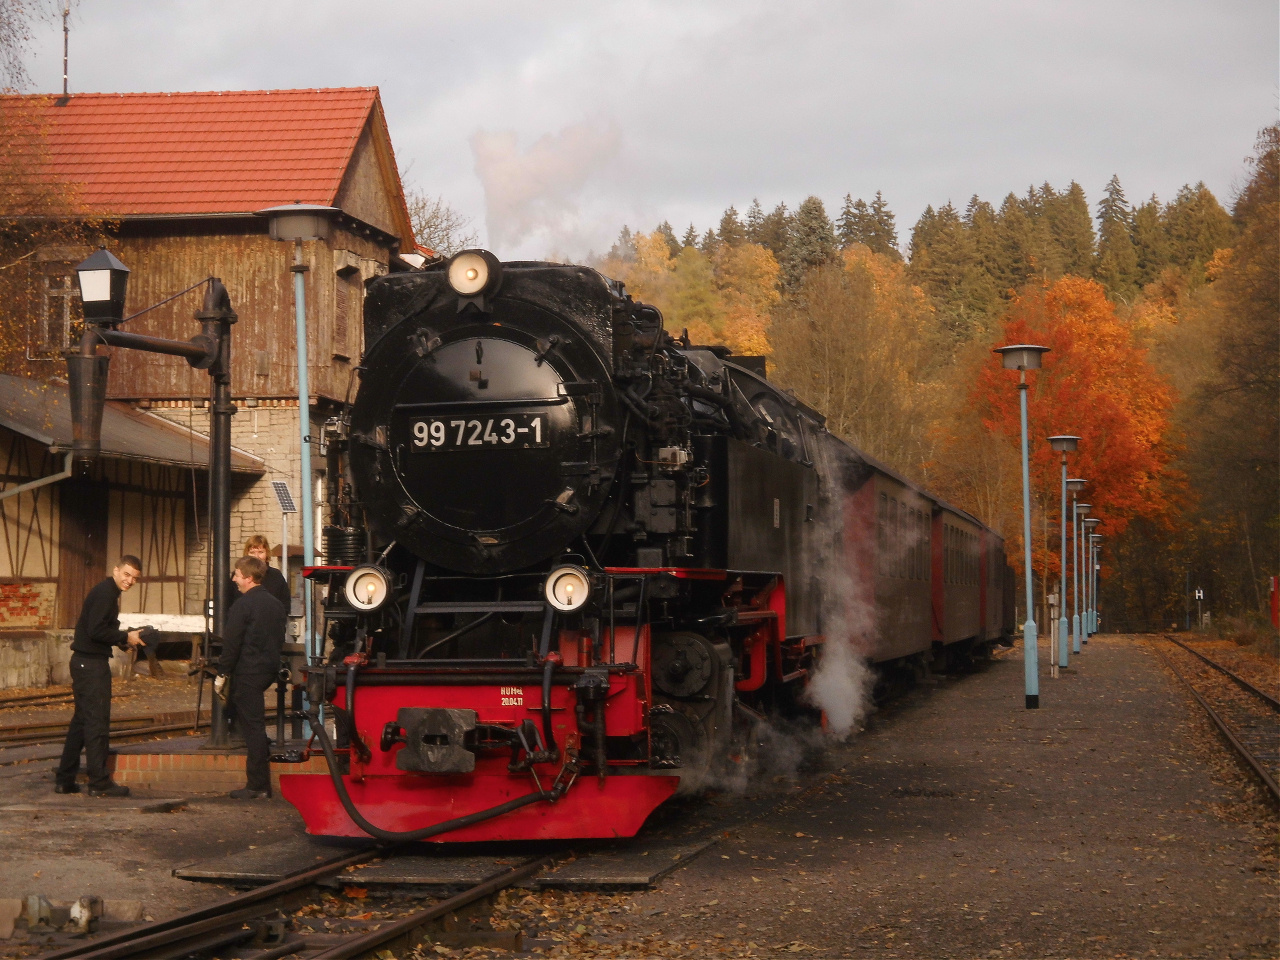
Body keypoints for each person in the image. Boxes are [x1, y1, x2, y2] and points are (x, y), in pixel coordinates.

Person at [55, 556, 147, 797]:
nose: (130, 581)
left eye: (134, 578)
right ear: (116, 570)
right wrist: (125, 637)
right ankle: (99, 782)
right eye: (126, 574)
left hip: (85, 662)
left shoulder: (107, 592)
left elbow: (99, 628)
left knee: (82, 722)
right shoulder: (106, 594)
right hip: (91, 665)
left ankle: (65, 778)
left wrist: (123, 640)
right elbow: (96, 630)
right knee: (96, 723)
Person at [218, 555, 287, 800]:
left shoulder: (243, 605)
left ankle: (257, 785)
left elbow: (232, 643)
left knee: (253, 728)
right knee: (254, 724)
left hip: (246, 671)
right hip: (266, 669)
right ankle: (258, 784)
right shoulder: (276, 605)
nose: (234, 579)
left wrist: (222, 672)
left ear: (248, 577)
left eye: (237, 574)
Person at [243, 535, 291, 610]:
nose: (256, 556)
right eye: (252, 552)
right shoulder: (239, 576)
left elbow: (285, 605)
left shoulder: (276, 576)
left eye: (260, 552)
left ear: (267, 553)